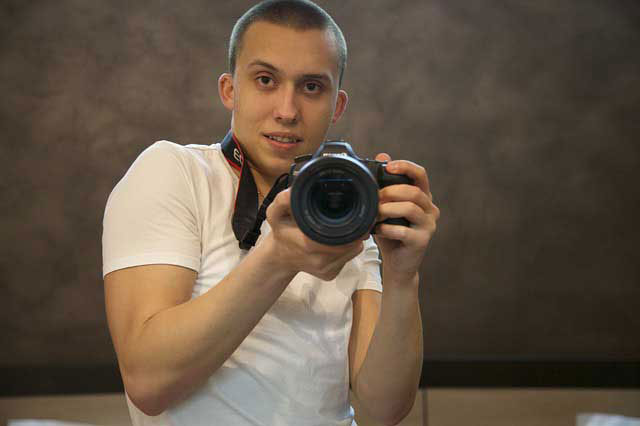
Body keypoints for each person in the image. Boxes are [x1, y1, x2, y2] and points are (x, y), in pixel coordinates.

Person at [102, 0, 440, 425]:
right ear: (230, 89)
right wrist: (278, 259)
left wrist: (403, 278)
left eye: (312, 87)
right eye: (265, 80)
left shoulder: (347, 204)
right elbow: (148, 383)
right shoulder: (175, 172)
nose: (287, 110)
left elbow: (383, 410)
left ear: (337, 106)